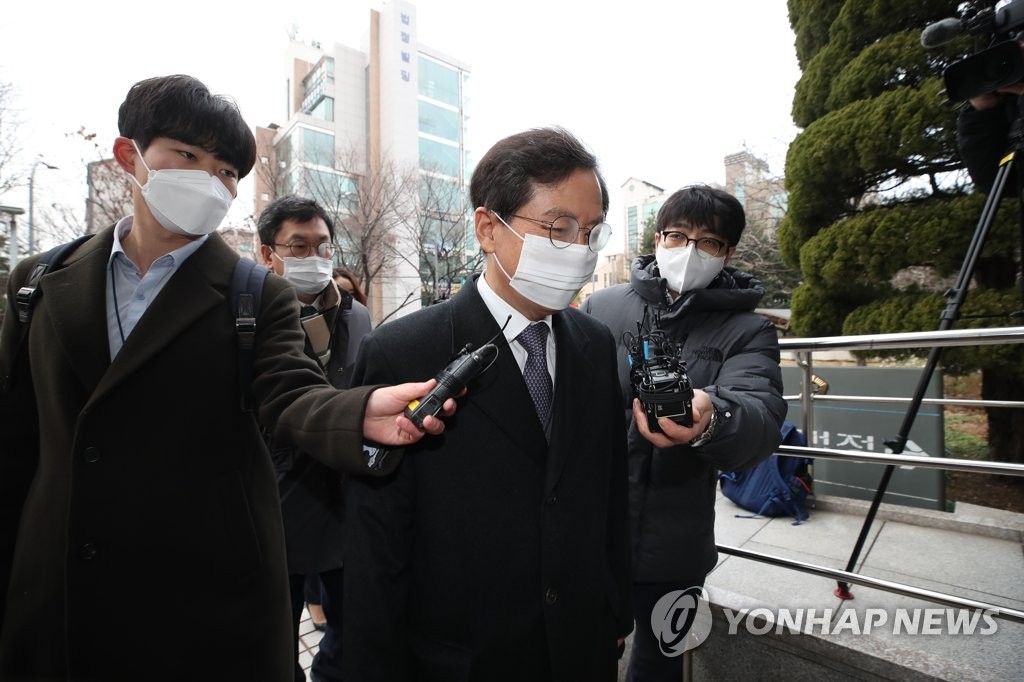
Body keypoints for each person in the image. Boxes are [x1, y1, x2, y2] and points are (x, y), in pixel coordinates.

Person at [0, 74, 453, 681]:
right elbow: (14, 434)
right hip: (56, 584)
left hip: (195, 591)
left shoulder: (251, 291)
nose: (209, 181)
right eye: (187, 156)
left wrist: (358, 412)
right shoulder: (38, 280)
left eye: (227, 172)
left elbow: (291, 391)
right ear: (128, 155)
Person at [342, 127, 632, 682]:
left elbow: (610, 492)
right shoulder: (403, 352)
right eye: (558, 228)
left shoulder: (595, 345)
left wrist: (615, 607)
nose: (578, 250)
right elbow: (376, 540)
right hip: (460, 656)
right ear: (487, 229)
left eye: (591, 233)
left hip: (581, 647)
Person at [582, 185, 787, 682]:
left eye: (709, 242)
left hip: (677, 541)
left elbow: (759, 414)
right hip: (594, 529)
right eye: (677, 236)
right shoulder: (600, 307)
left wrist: (710, 416)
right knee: (584, 652)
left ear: (728, 252)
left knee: (660, 661)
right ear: (657, 239)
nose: (690, 250)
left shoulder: (749, 330)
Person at [256, 195, 374, 682]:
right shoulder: (248, 316)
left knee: (357, 631)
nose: (314, 259)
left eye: (322, 247)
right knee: (271, 639)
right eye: (298, 247)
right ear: (268, 254)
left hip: (343, 498)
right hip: (274, 499)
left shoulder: (355, 315)